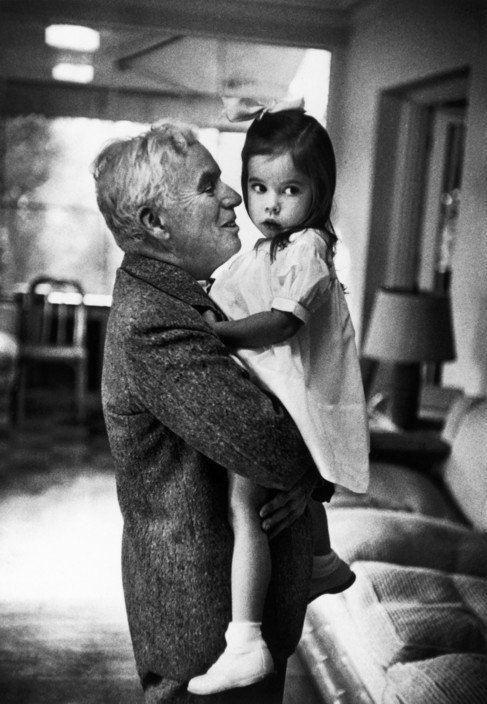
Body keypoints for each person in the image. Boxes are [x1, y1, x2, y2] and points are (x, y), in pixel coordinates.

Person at [92, 120, 328, 704]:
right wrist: (315, 466)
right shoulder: (155, 320)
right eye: (208, 185)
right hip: (205, 636)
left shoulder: (194, 298)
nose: (232, 197)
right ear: (155, 223)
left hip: (230, 627)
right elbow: (270, 443)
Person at [187, 101, 369, 696]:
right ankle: (321, 561)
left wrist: (215, 334)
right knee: (258, 499)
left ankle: (245, 640)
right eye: (258, 186)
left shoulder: (308, 249)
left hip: (297, 404)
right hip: (285, 399)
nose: (269, 203)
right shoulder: (270, 248)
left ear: (319, 192)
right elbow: (226, 289)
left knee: (245, 505)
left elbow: (279, 324)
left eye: (289, 188)